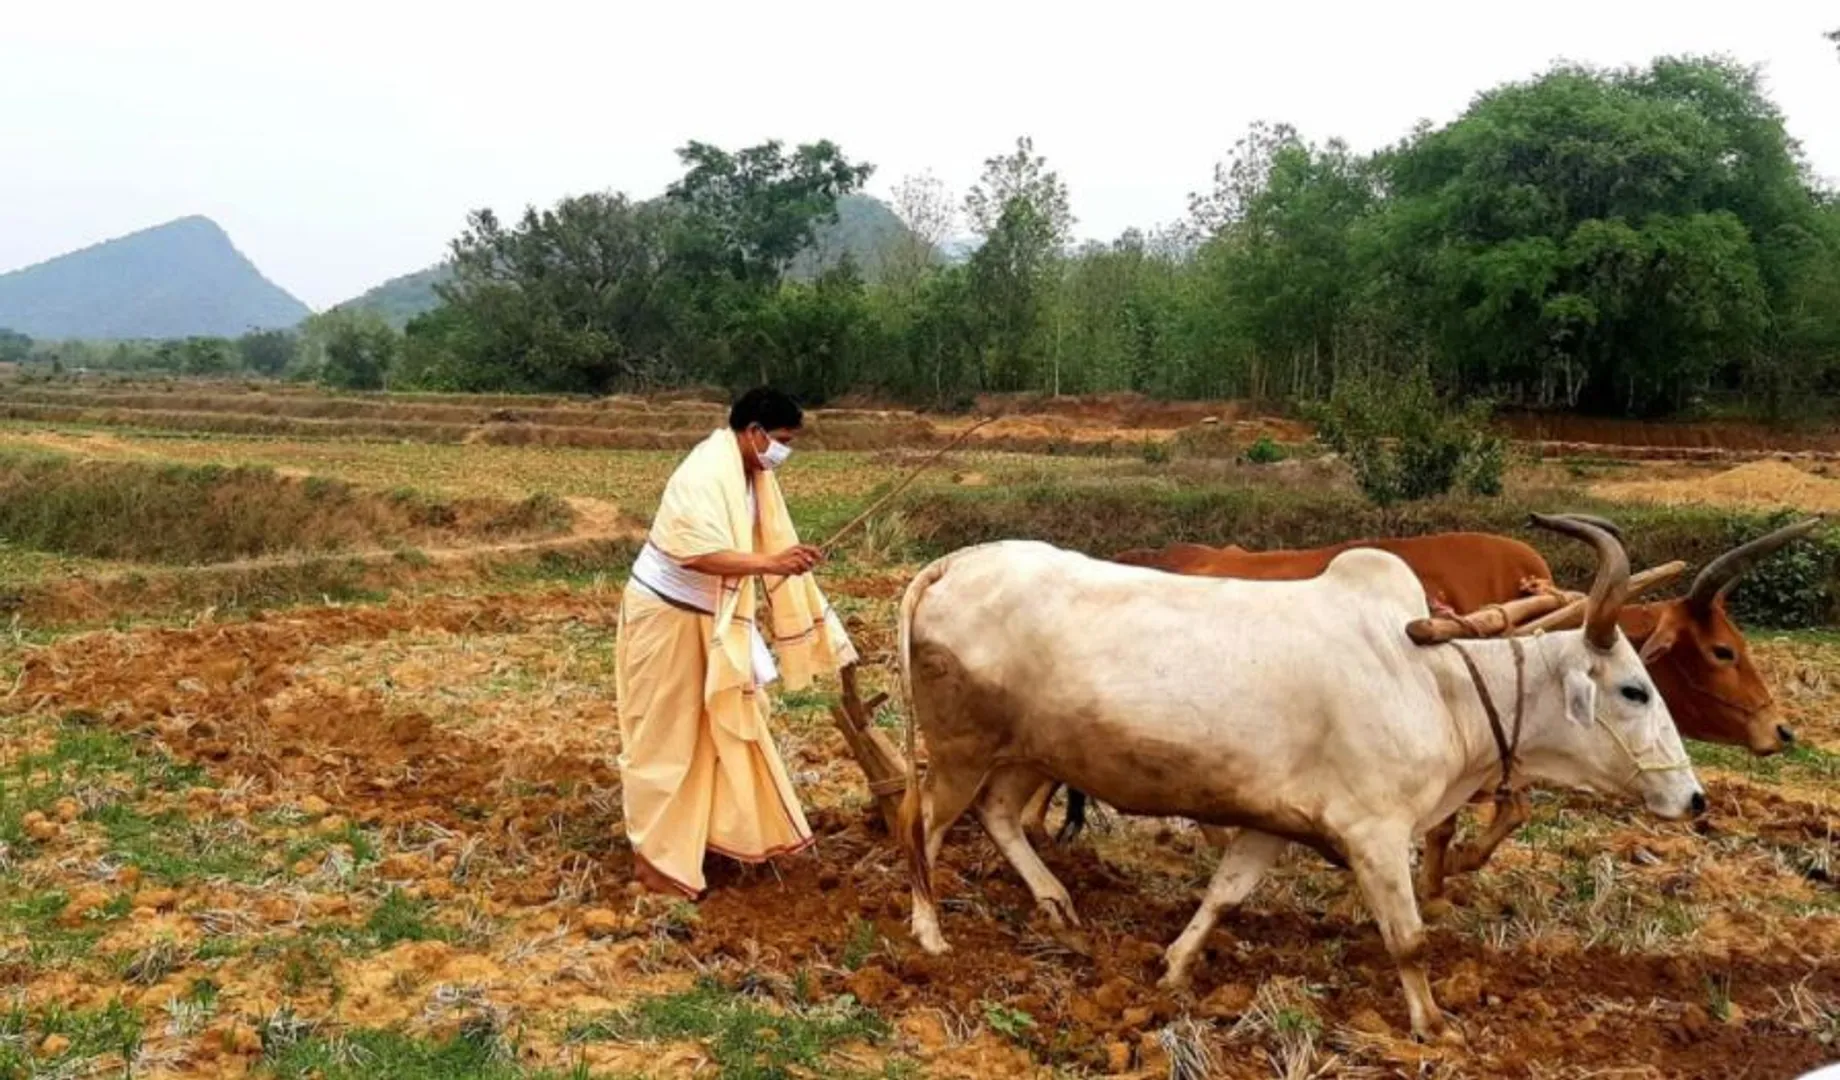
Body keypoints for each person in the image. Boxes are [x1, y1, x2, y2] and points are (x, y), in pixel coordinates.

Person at [614, 387, 857, 898]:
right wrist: (772, 564)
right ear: (754, 432)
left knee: (710, 733)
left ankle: (704, 837)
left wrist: (784, 559)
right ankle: (655, 863)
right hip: (668, 617)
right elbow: (695, 554)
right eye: (782, 441)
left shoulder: (751, 475)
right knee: (664, 738)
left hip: (707, 617)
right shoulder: (703, 474)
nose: (783, 453)